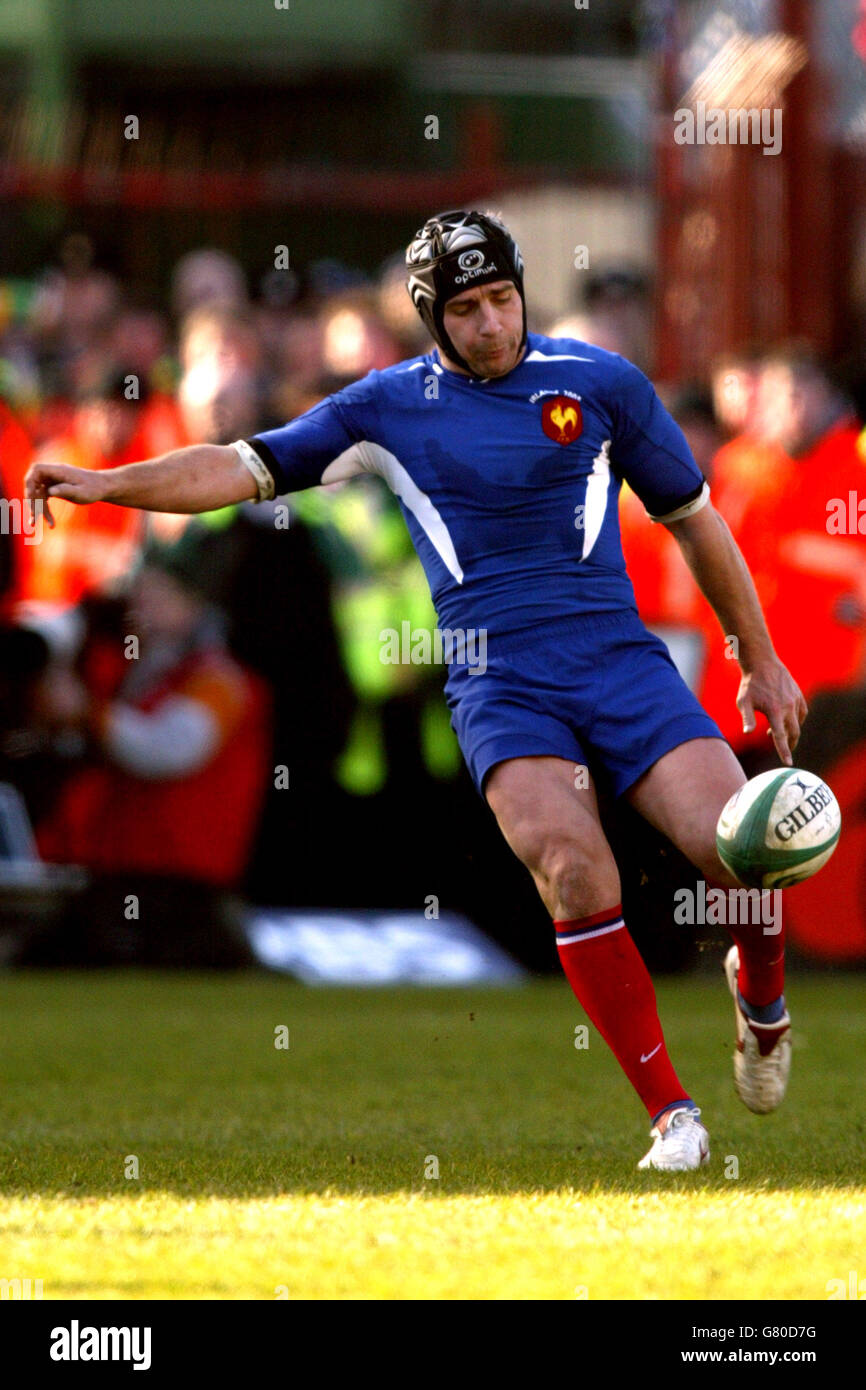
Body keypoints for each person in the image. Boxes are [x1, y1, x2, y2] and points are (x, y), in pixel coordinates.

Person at [25, 210, 806, 1171]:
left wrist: (758, 657)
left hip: (620, 662)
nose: (490, 324)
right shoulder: (384, 407)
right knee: (572, 870)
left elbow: (696, 522)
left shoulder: (600, 384)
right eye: (467, 308)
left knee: (746, 855)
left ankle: (761, 998)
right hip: (502, 683)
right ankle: (673, 1117)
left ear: (523, 290)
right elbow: (238, 468)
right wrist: (108, 484)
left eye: (503, 299)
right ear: (432, 319)